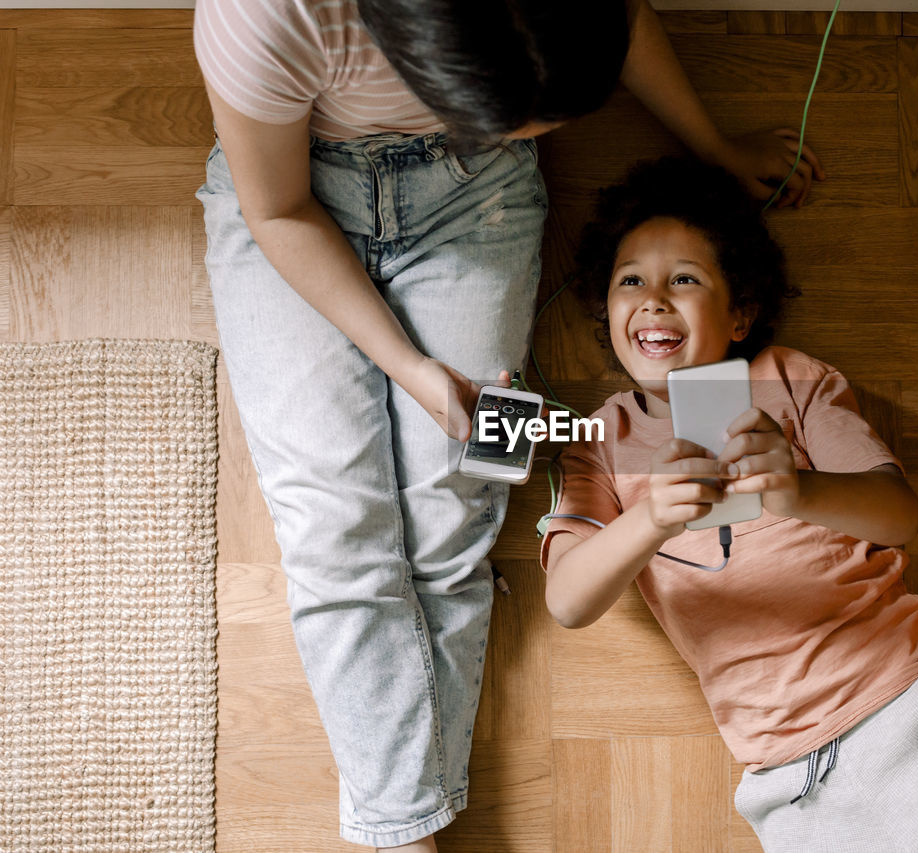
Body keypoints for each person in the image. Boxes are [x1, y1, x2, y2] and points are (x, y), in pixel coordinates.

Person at [192, 0, 823, 849]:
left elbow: (618, 16)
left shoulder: (772, 390)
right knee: (337, 532)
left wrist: (713, 146)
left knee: (450, 522)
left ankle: (403, 822)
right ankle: (405, 831)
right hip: (292, 198)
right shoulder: (265, 16)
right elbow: (278, 211)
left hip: (473, 198)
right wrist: (411, 371)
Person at [541, 157, 918, 853]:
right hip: (790, 779)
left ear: (740, 312)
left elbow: (900, 516)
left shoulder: (791, 378)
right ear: (606, 308)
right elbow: (567, 599)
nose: (654, 299)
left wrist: (797, 490)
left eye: (684, 277)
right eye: (632, 280)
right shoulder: (597, 440)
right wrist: (649, 518)